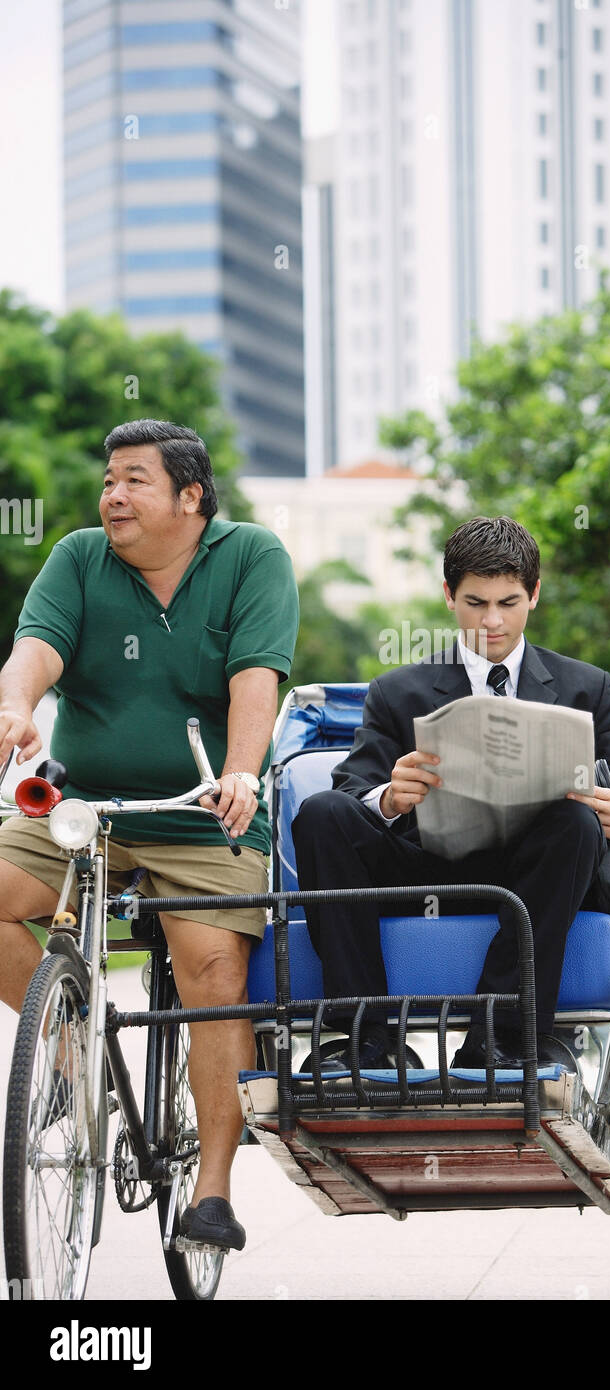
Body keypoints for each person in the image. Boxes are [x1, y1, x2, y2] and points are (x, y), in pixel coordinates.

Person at [0, 419, 298, 1251]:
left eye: (134, 480)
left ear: (189, 496)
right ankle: (73, 1043)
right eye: (108, 480)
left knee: (212, 971)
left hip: (208, 816)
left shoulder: (251, 558)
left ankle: (211, 1193)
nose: (112, 496)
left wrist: (241, 771)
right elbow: (35, 650)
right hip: (85, 809)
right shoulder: (78, 557)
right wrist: (16, 706)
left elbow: (255, 681)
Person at [292, 516, 610, 1070]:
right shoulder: (398, 691)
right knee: (322, 813)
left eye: (508, 602)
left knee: (577, 823)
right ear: (448, 595)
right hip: (427, 868)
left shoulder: (586, 687)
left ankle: (501, 1034)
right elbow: (351, 790)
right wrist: (390, 798)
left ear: (534, 595)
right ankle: (368, 1039)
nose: (492, 621)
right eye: (475, 602)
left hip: (537, 876)